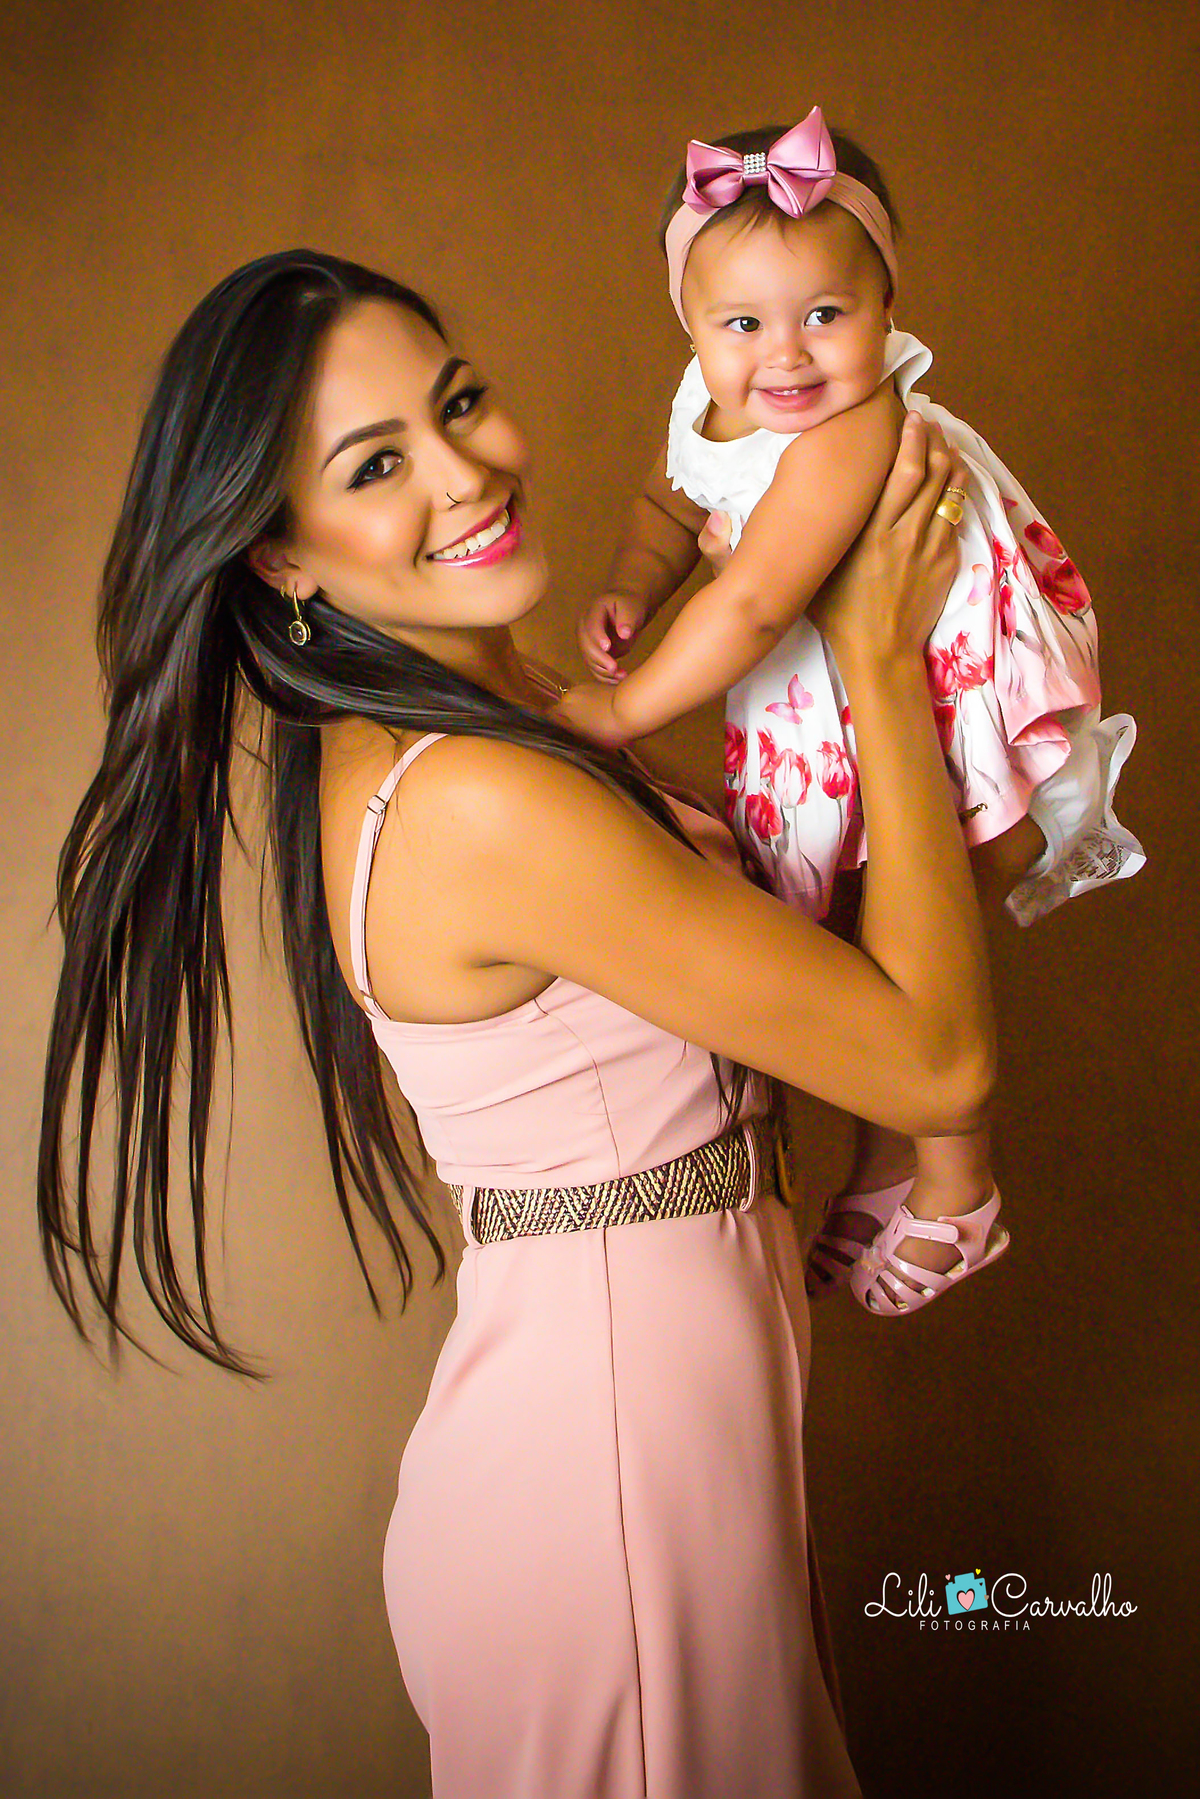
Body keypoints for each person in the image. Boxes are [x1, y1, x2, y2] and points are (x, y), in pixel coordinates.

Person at [39, 249, 991, 1798]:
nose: (469, 471)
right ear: (278, 552)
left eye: (458, 401)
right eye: (378, 463)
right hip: (605, 1483)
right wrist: (880, 647)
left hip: (662, 1442)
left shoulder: (497, 717)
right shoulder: (473, 796)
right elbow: (937, 1056)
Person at [567, 109, 1144, 1317]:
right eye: (742, 325)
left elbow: (758, 603)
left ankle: (956, 1175)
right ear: (690, 328)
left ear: (888, 305)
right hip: (829, 698)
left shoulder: (855, 424)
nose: (786, 356)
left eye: (827, 314)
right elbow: (670, 505)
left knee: (916, 926)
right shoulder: (712, 401)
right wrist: (632, 584)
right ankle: (892, 1159)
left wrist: (619, 712)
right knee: (839, 951)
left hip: (951, 691)